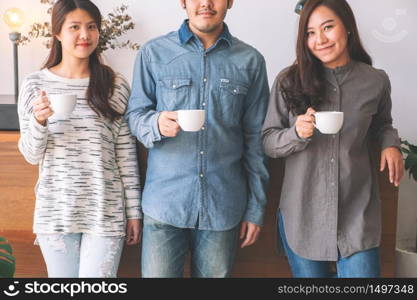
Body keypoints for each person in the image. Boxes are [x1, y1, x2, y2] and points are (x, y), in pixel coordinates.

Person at [126, 0, 269, 277]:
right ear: (183, 2)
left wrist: (255, 208)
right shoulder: (153, 53)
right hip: (164, 205)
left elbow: (256, 140)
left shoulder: (250, 61)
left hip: (223, 206)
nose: (205, 3)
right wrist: (155, 123)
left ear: (230, 2)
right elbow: (135, 115)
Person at [262, 0, 404, 278]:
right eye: (311, 32)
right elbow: (267, 140)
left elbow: (382, 124)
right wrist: (296, 134)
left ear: (348, 27)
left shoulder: (375, 81)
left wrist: (390, 143)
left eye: (328, 27)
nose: (320, 39)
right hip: (302, 216)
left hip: (357, 215)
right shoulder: (287, 81)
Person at [17, 0, 141, 278]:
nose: (85, 35)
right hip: (56, 211)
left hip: (105, 211)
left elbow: (125, 155)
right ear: (58, 33)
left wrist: (134, 213)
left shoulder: (115, 84)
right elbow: (30, 154)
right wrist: (39, 121)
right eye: (74, 27)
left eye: (91, 27)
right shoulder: (35, 84)